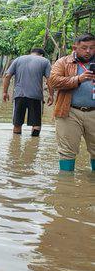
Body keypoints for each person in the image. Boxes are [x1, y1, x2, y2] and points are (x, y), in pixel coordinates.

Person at [47, 33, 95, 171]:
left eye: (92, 48)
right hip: (69, 112)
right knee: (67, 152)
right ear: (75, 47)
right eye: (84, 47)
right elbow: (53, 81)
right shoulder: (63, 62)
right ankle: (65, 187)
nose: (88, 51)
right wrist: (78, 79)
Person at [2, 48, 52, 136]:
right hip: (36, 96)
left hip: (19, 95)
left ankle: (15, 144)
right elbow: (49, 80)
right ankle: (34, 144)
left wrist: (5, 92)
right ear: (41, 55)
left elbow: (7, 76)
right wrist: (51, 95)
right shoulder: (45, 61)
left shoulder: (18, 59)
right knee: (36, 124)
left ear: (31, 53)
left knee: (17, 123)